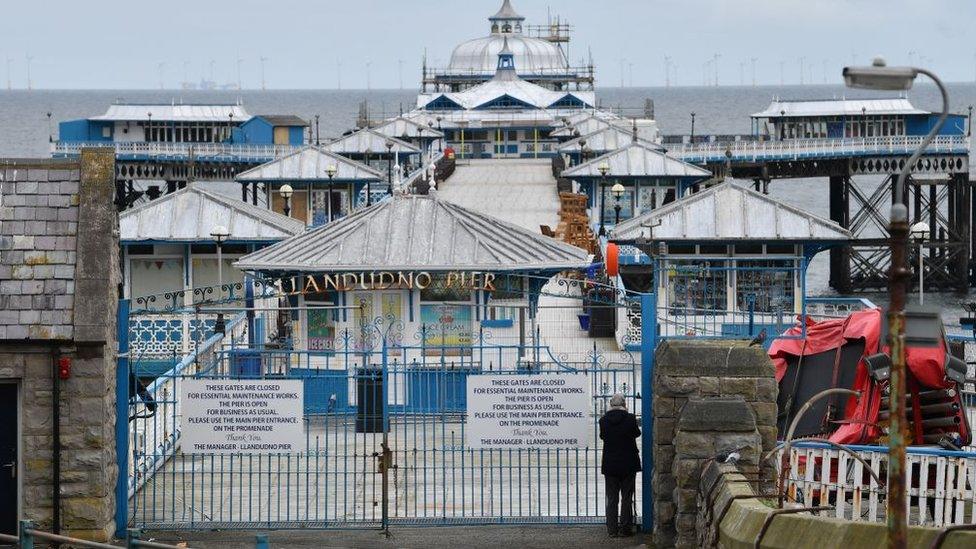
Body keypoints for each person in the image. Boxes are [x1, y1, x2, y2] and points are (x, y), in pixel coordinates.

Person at [599, 393, 641, 537]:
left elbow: (603, 436)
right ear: (624, 404)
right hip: (628, 463)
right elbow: (637, 434)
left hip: (610, 464)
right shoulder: (630, 419)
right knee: (627, 497)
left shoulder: (603, 420)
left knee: (611, 498)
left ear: (611, 404)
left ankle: (612, 530)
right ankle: (625, 528)